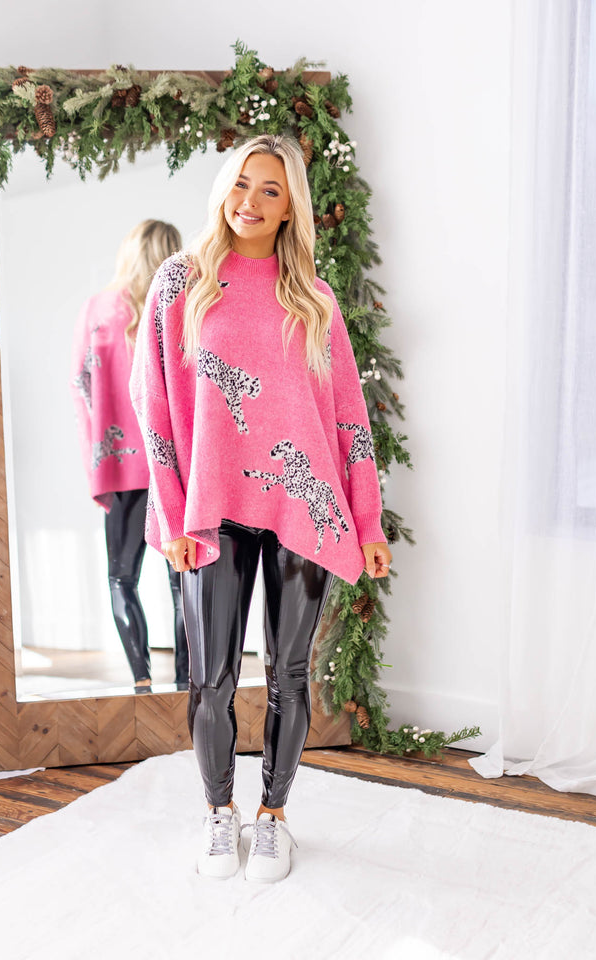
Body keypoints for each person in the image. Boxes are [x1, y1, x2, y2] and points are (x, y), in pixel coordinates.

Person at [130, 135, 391, 881]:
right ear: (223, 188)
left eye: (270, 189)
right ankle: (220, 813)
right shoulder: (182, 282)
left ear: (290, 207)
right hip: (210, 509)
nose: (250, 200)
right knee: (211, 677)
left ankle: (273, 818)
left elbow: (348, 418)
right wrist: (173, 514)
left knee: (289, 674)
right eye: (241, 183)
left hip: (302, 504)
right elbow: (153, 403)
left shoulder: (313, 299)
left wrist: (366, 522)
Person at [70, 219, 189, 692]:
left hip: (121, 465)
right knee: (184, 583)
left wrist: (99, 456)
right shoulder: (183, 304)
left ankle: (141, 680)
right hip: (177, 464)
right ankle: (187, 683)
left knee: (122, 578)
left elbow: (81, 387)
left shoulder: (98, 310)